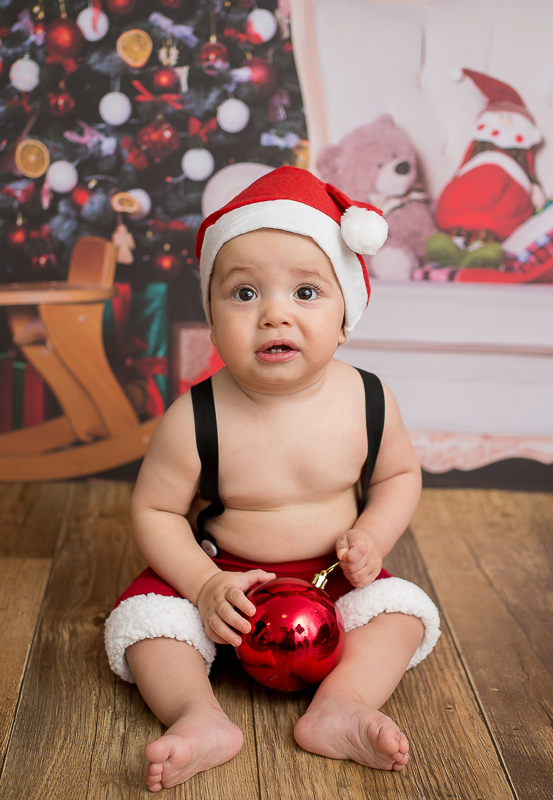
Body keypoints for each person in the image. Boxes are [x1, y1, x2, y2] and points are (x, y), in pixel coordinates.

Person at [104, 166, 441, 792]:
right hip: (224, 579)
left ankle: (340, 706)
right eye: (245, 294)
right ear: (210, 314)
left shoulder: (368, 399)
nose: (274, 317)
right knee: (146, 624)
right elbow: (155, 512)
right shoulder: (195, 415)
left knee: (402, 616)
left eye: (306, 294)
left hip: (330, 575)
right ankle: (198, 717)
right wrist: (202, 585)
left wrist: (370, 536)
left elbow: (398, 475)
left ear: (346, 312)